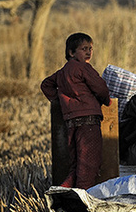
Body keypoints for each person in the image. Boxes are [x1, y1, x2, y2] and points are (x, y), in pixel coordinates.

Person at [41, 33, 112, 189]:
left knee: (77, 164)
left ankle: (61, 195)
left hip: (71, 123)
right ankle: (81, 198)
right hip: (89, 123)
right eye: (84, 49)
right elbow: (100, 87)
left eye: (90, 49)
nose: (88, 52)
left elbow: (45, 85)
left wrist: (60, 101)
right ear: (71, 53)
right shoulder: (83, 68)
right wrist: (106, 101)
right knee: (89, 165)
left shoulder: (61, 72)